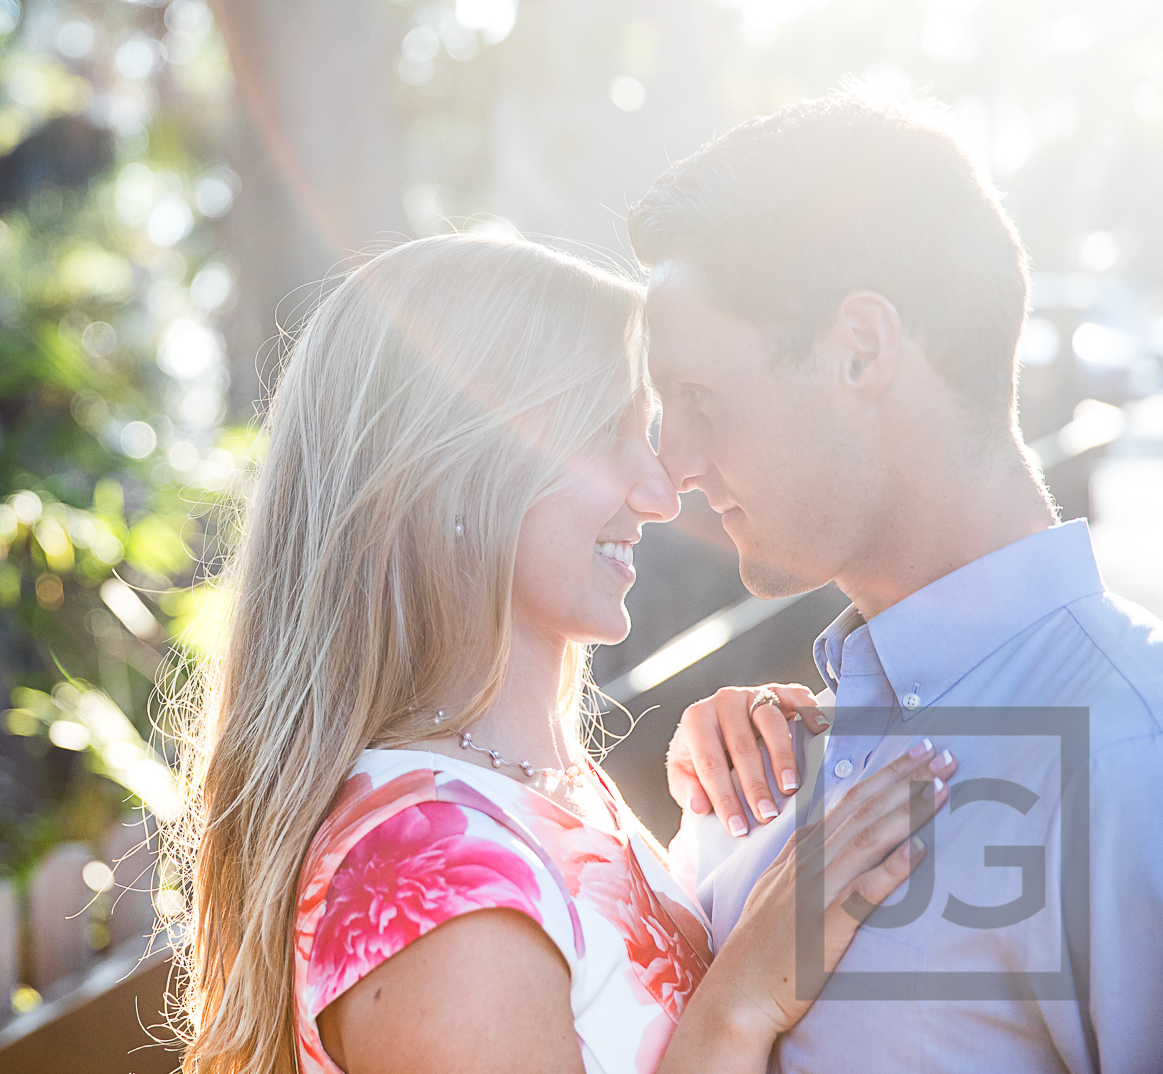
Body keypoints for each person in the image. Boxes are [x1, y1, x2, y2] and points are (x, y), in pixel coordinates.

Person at [165, 233, 953, 1074]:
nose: (657, 493)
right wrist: (745, 996)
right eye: (610, 430)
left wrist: (731, 804)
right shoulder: (431, 879)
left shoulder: (527, 791)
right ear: (462, 470)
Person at [631, 92, 1163, 1072]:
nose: (677, 468)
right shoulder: (765, 764)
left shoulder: (1129, 753)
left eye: (699, 398)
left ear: (861, 348)